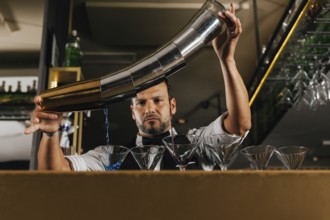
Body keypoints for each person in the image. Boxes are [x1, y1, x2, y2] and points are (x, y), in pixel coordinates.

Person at [24, 3, 251, 171]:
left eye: (157, 100)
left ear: (172, 106)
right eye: (141, 102)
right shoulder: (111, 157)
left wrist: (227, 60)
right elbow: (56, 173)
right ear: (133, 112)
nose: (149, 107)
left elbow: (239, 125)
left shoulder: (196, 145)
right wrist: (51, 133)